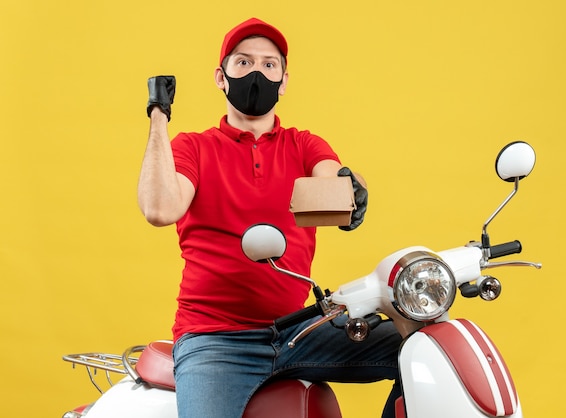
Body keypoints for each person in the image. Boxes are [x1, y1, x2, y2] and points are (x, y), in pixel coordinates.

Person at [137, 17, 402, 418]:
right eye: (243, 63)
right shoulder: (194, 147)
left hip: (300, 331)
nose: (257, 72)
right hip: (215, 340)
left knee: (422, 348)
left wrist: (354, 188)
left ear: (283, 79)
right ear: (221, 76)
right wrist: (159, 113)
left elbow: (333, 178)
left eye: (268, 64)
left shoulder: (303, 144)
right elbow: (159, 208)